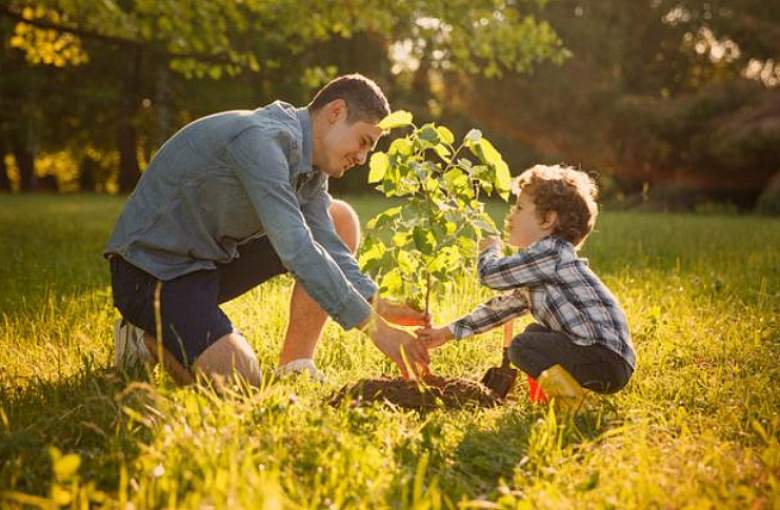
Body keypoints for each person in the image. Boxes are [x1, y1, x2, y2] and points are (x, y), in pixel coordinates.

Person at [105, 73, 429, 386]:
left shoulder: (313, 168)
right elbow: (298, 249)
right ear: (336, 112)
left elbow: (328, 245)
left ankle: (296, 365)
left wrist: (378, 303)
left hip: (206, 264)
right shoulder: (262, 141)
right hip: (151, 273)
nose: (361, 157)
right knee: (241, 381)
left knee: (337, 218)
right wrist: (378, 331)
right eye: (363, 142)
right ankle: (142, 336)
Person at [416, 164, 635, 409]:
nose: (511, 215)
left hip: (603, 357)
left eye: (519, 208)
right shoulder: (543, 266)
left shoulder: (550, 252)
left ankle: (573, 405)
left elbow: (490, 275)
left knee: (522, 347)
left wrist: (489, 248)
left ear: (548, 219)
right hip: (607, 359)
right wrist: (445, 333)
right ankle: (547, 399)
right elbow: (500, 309)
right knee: (533, 334)